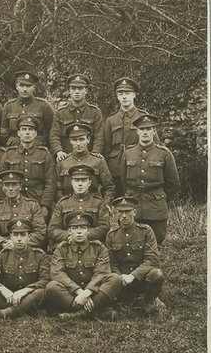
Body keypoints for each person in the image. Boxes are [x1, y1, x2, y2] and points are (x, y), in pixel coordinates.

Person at [44, 212, 122, 320]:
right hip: (72, 295)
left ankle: (78, 314)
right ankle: (94, 312)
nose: (79, 231)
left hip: (94, 293)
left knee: (115, 278)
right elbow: (57, 273)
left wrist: (87, 292)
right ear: (69, 231)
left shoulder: (99, 247)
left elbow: (101, 272)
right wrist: (78, 292)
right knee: (52, 286)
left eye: (83, 227)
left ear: (88, 230)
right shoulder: (62, 248)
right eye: (75, 228)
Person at [0, 218, 50, 319]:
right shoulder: (4, 254)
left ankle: (3, 313)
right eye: (15, 235)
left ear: (29, 237)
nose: (19, 238)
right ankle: (24, 311)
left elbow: (45, 279)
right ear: (10, 237)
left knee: (40, 292)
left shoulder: (39, 255)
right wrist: (3, 290)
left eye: (23, 235)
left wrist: (25, 290)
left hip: (29, 295)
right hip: (10, 297)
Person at [120, 114, 180, 244]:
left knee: (156, 242)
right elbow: (123, 181)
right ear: (137, 131)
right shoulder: (128, 153)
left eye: (149, 129)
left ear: (154, 131)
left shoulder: (164, 153)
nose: (145, 132)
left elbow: (173, 183)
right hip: (134, 205)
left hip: (156, 207)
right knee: (132, 242)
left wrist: (160, 198)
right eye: (142, 129)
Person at [106, 196, 167, 314]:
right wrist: (120, 277)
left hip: (141, 278)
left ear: (134, 212)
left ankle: (149, 300)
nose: (124, 215)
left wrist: (133, 275)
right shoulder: (111, 235)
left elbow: (151, 260)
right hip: (122, 280)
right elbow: (111, 263)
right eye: (120, 212)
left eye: (127, 211)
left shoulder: (146, 231)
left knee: (157, 274)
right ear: (116, 214)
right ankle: (128, 300)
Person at [0, 170, 46, 267]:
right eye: (7, 185)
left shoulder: (32, 205)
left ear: (20, 186)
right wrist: (3, 242)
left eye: (14, 184)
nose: (10, 188)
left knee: (40, 257)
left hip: (28, 245)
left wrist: (21, 242)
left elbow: (40, 231)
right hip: (5, 245)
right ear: (3, 187)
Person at [102, 76, 155, 191]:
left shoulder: (143, 117)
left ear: (134, 95)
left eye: (128, 93)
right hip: (115, 168)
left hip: (137, 166)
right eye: (120, 93)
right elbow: (106, 148)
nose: (124, 96)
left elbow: (154, 145)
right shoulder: (111, 120)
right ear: (117, 96)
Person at [0, 115, 55, 220]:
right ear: (18, 133)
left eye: (31, 129)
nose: (27, 132)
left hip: (38, 200)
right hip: (14, 201)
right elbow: (0, 180)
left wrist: (45, 205)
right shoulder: (9, 153)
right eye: (24, 129)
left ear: (35, 133)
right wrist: (4, 202)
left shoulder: (44, 154)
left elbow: (50, 182)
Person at [48, 164, 111, 251]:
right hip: (67, 247)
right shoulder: (62, 203)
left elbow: (105, 227)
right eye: (76, 180)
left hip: (92, 248)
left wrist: (86, 235)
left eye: (83, 180)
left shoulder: (99, 203)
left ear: (89, 183)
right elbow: (52, 229)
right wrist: (69, 235)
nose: (80, 184)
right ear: (71, 182)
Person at [54, 122, 115, 202]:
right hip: (68, 208)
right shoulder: (63, 162)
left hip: (93, 207)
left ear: (88, 140)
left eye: (81, 139)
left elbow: (109, 188)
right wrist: (63, 205)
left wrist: (104, 205)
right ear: (70, 141)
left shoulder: (98, 161)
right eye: (74, 140)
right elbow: (57, 189)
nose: (78, 143)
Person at [50, 74, 104, 160]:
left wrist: (95, 152)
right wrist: (58, 151)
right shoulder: (60, 113)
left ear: (86, 90)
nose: (77, 92)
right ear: (69, 91)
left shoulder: (94, 112)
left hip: (89, 158)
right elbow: (54, 135)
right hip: (66, 157)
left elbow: (99, 136)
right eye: (73, 88)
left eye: (80, 88)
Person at [1, 70, 54, 147]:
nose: (25, 89)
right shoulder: (9, 106)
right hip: (14, 149)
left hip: (37, 149)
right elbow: (3, 132)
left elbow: (51, 131)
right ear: (16, 86)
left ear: (34, 87)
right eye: (21, 85)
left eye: (28, 86)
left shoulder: (44, 106)